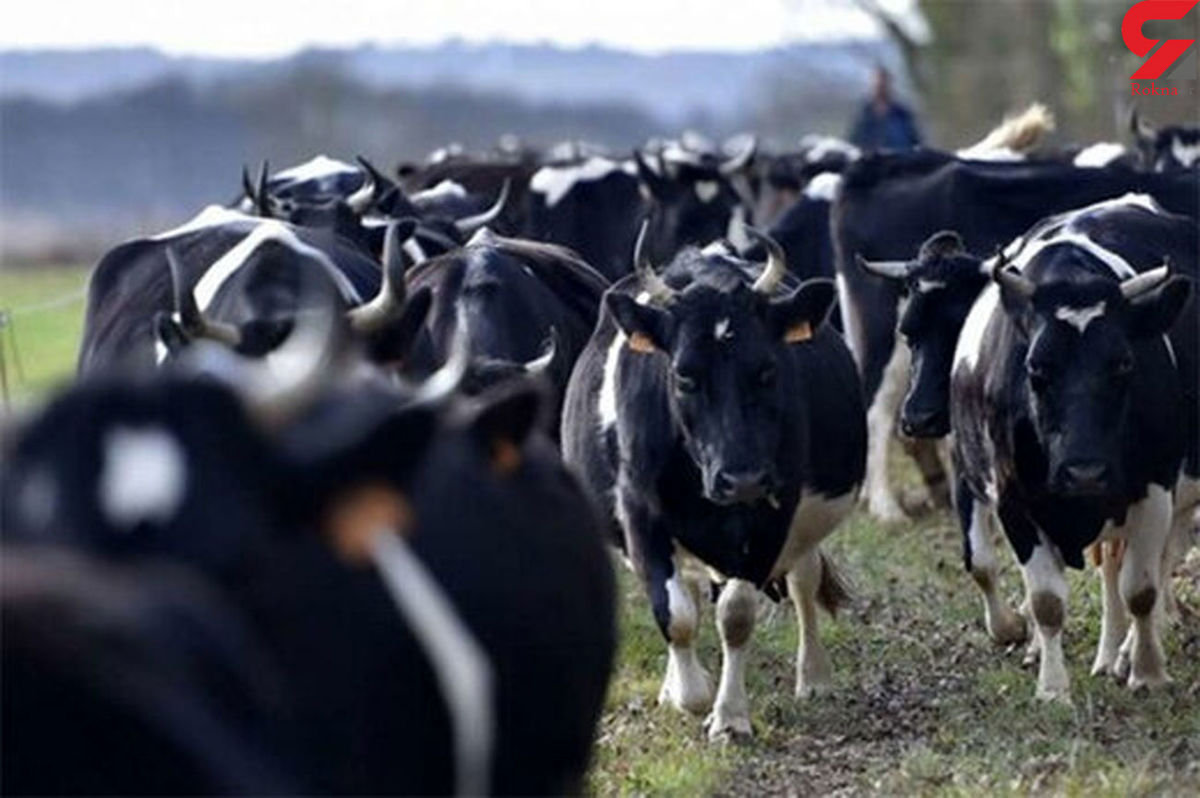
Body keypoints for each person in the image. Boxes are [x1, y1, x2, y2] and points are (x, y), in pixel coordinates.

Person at [848, 66, 922, 150]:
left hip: (899, 160)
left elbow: (915, 142)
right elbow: (852, 143)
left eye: (883, 84)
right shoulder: (864, 115)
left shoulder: (902, 114)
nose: (880, 88)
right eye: (877, 85)